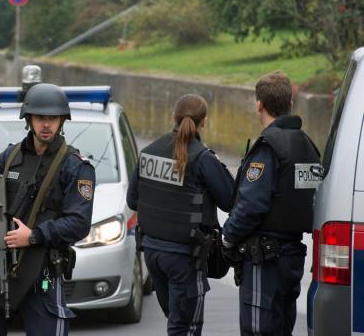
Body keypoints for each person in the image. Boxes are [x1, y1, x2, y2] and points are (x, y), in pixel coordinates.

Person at [0, 83, 95, 336]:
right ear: (28, 119)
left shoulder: (75, 166)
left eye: (52, 118)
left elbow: (79, 222)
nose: (46, 124)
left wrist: (34, 236)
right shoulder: (10, 156)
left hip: (42, 270)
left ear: (61, 122)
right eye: (40, 118)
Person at [222, 72, 321, 336]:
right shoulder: (308, 145)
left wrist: (227, 239)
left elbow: (250, 205)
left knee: (258, 330)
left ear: (259, 105)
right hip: (293, 258)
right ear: (290, 102)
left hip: (264, 261)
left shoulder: (269, 146)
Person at [126, 94, 234, 336]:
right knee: (186, 328)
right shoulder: (203, 158)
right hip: (185, 257)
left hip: (152, 253)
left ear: (173, 117)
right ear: (203, 121)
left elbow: (133, 200)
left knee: (175, 322)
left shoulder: (149, 152)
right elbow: (230, 200)